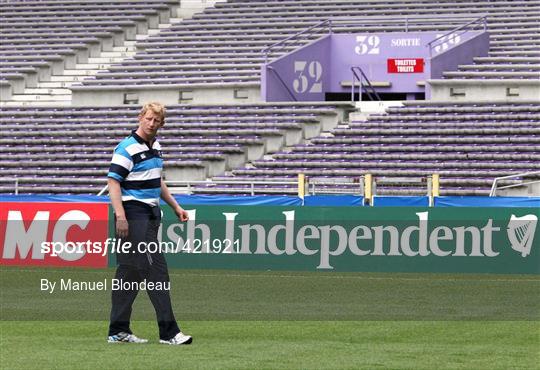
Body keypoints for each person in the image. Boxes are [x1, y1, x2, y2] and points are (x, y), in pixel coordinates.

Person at [106, 102, 192, 345]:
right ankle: (169, 333)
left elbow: (157, 181)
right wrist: (121, 216)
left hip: (151, 215)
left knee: (129, 273)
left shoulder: (156, 147)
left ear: (161, 124)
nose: (152, 124)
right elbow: (113, 182)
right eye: (149, 118)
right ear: (140, 117)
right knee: (157, 272)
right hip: (134, 216)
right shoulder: (127, 148)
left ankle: (118, 330)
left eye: (157, 121)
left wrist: (175, 206)